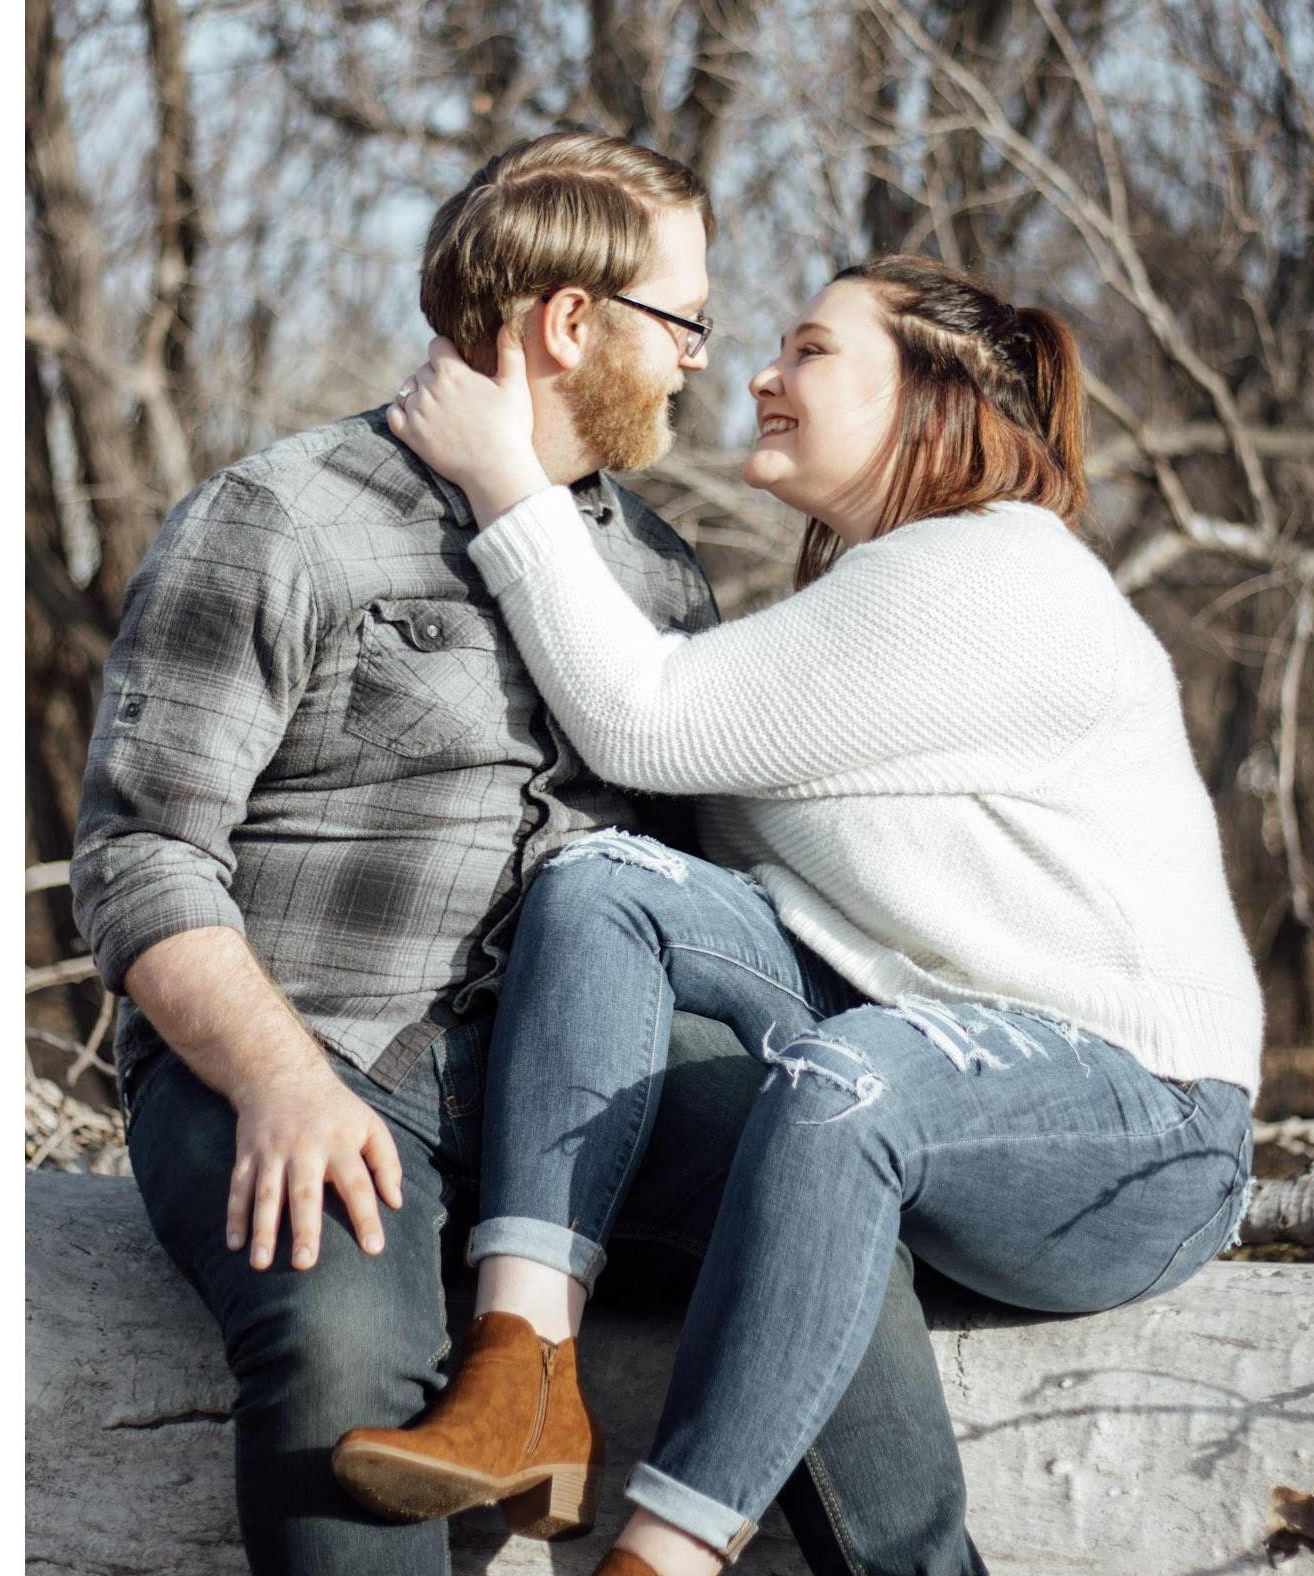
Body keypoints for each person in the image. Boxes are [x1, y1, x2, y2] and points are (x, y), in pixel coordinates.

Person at [69, 136, 988, 1576]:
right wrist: (278, 1078)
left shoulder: (656, 575)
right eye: (684, 320)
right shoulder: (283, 517)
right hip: (323, 1048)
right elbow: (141, 854)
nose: (700, 362)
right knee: (342, 1343)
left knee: (814, 1191)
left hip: (576, 1088)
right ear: (571, 323)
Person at [332, 254, 1265, 1576]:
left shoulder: (992, 575)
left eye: (811, 350)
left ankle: (664, 1555)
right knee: (607, 887)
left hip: (1140, 1128)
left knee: (842, 1084)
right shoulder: (876, 594)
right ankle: (523, 1372)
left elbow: (645, 718)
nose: (762, 374)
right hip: (919, 1049)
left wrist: (503, 478)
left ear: (931, 395)